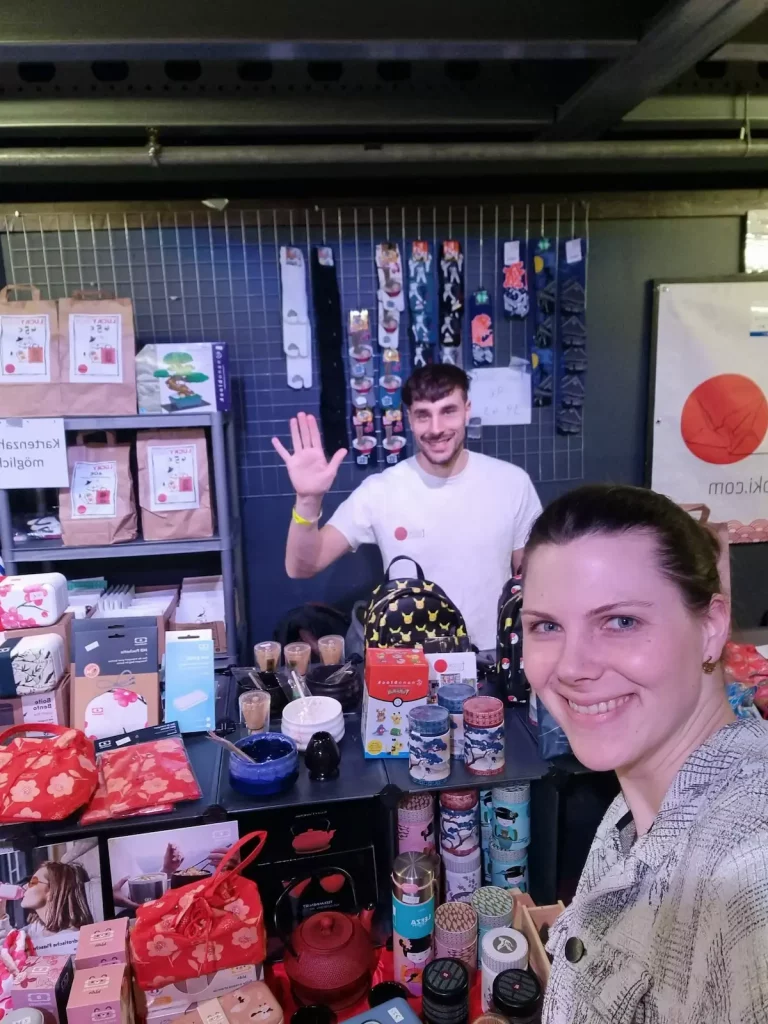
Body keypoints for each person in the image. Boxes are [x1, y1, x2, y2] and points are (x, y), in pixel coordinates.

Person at [520, 483, 768, 1024]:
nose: (572, 667)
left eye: (621, 622)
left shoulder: (749, 864)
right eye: (546, 626)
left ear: (711, 628)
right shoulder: (636, 802)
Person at [272, 364, 541, 650]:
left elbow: (536, 581)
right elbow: (303, 566)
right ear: (409, 418)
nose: (436, 428)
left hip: (493, 657)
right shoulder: (380, 490)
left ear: (467, 410)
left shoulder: (512, 483)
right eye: (423, 415)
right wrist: (308, 499)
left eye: (448, 411)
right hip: (408, 663)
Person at [0, 861, 93, 952]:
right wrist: (1, 914)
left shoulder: (69, 940)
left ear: (52, 891)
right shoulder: (36, 929)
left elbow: (10, 956)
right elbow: (9, 945)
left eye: (32, 882)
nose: (24, 886)